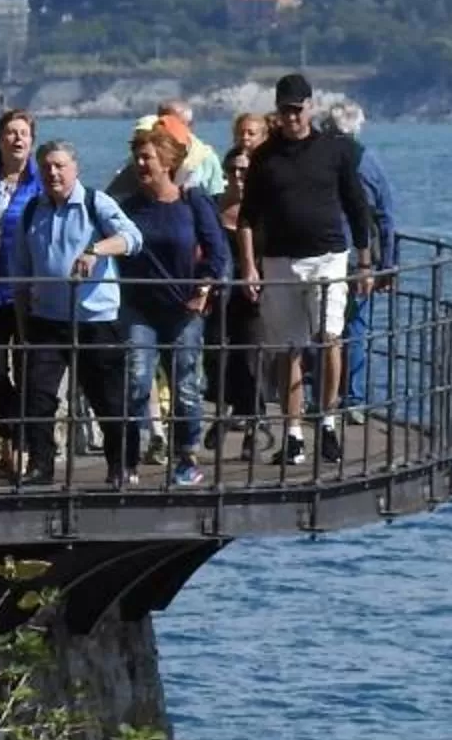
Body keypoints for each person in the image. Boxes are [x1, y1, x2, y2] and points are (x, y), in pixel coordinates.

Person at [242, 72, 376, 468]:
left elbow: (357, 208)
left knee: (330, 337)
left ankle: (329, 422)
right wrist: (250, 267)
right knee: (288, 349)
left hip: (328, 257)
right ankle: (294, 433)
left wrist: (365, 263)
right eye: (285, 110)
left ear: (310, 108)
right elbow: (249, 215)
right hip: (280, 261)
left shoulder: (334, 151)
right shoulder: (265, 156)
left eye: (297, 110)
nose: (291, 118)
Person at [4, 139, 143, 484]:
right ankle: (41, 465)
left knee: (108, 399)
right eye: (47, 166)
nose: (53, 172)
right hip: (47, 320)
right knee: (37, 395)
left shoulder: (97, 203)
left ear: (74, 168)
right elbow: (21, 276)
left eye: (60, 165)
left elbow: (132, 238)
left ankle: (121, 466)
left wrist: (97, 249)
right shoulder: (32, 212)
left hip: (96, 320)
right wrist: (23, 329)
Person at [113, 122, 228, 488]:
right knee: (136, 379)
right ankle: (128, 457)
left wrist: (204, 288)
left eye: (147, 158)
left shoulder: (191, 202)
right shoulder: (128, 207)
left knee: (186, 383)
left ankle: (186, 456)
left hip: (183, 308)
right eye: (137, 159)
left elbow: (216, 250)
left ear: (165, 162)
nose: (141, 165)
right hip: (139, 308)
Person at [0, 107, 41, 479]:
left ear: (32, 140)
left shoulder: (43, 181)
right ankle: (12, 433)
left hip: (30, 294)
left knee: (28, 370)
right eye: (10, 133)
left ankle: (21, 446)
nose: (17, 139)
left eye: (23, 133)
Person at [208, 111, 268, 449]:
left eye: (244, 171)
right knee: (219, 355)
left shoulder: (264, 210)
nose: (237, 177)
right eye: (232, 170)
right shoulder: (215, 207)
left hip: (254, 291)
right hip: (221, 293)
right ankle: (224, 412)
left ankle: (254, 421)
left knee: (251, 355)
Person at [337, 127, 399, 416]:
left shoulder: (321, 158)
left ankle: (321, 396)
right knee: (356, 327)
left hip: (325, 251)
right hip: (359, 259)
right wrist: (388, 265)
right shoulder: (368, 162)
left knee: (321, 327)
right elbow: (386, 216)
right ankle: (353, 398)